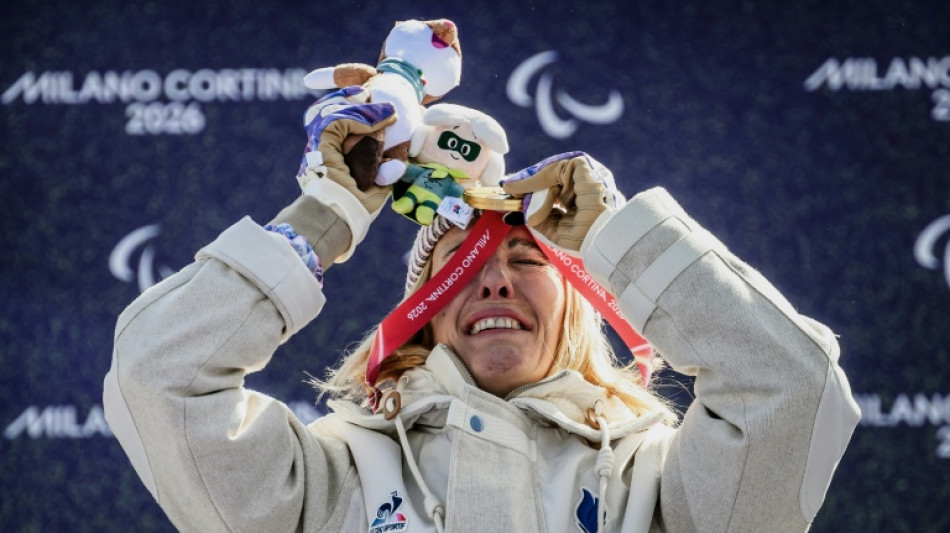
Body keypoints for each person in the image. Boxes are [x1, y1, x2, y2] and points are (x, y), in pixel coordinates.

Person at [103, 87, 860, 533]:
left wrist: (615, 235)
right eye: (461, 265)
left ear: (578, 308)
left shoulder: (658, 480)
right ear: (425, 315)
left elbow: (791, 390)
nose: (495, 281)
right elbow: (159, 376)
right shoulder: (330, 477)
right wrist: (323, 219)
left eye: (527, 259)